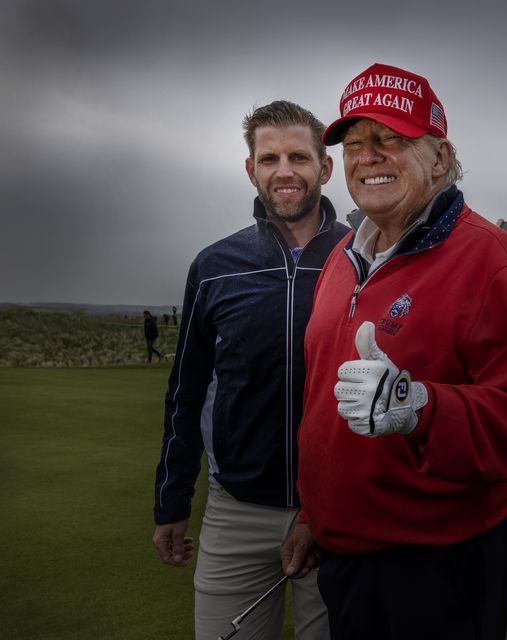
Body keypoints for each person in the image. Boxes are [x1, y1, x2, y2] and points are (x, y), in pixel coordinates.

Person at [293, 63, 507, 640]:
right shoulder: (342, 257)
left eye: (391, 138)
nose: (368, 156)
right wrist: (315, 512)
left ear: (440, 158)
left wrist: (419, 408)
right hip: (344, 552)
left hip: (438, 563)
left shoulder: (491, 261)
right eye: (355, 144)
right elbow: (322, 405)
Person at [151, 100, 348, 640]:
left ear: (324, 168)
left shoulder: (362, 259)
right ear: (252, 169)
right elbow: (186, 394)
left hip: (337, 510)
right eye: (269, 158)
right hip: (237, 510)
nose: (284, 171)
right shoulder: (214, 267)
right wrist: (171, 502)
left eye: (298, 157)